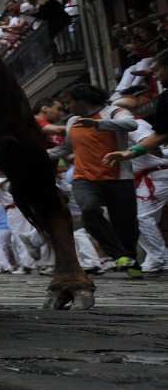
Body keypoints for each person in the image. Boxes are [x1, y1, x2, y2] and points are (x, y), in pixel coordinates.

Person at [50, 83, 142, 277]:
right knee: (89, 210)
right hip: (84, 178)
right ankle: (119, 256)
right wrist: (41, 154)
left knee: (126, 225)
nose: (68, 107)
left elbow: (131, 124)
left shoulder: (114, 111)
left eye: (69, 102)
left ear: (82, 100)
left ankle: (130, 260)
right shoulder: (72, 121)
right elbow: (66, 148)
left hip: (118, 177)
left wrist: (99, 124)